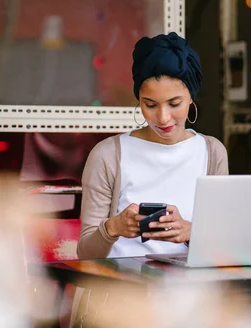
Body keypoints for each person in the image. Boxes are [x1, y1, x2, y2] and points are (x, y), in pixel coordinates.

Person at [77, 32, 229, 259]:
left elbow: (225, 247)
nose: (163, 117)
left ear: (191, 97)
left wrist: (190, 232)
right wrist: (113, 228)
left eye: (174, 104)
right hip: (122, 288)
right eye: (150, 105)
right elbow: (85, 254)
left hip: (191, 290)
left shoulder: (212, 152)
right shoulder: (108, 155)